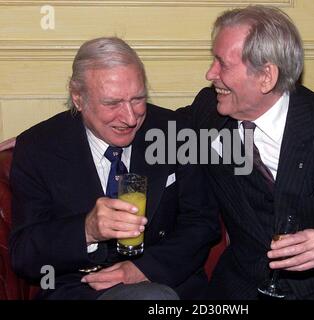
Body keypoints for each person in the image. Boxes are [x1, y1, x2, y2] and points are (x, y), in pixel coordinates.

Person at [181, 5, 314, 299]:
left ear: (266, 76)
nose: (210, 74)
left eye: (222, 64)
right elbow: (153, 129)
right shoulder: (208, 112)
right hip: (245, 286)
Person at [9, 37, 219, 300]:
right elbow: (25, 254)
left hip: (168, 284)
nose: (130, 118)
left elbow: (202, 223)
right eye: (112, 104)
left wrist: (144, 269)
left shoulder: (174, 134)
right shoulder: (39, 148)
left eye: (138, 99)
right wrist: (87, 229)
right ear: (78, 98)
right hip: (79, 289)